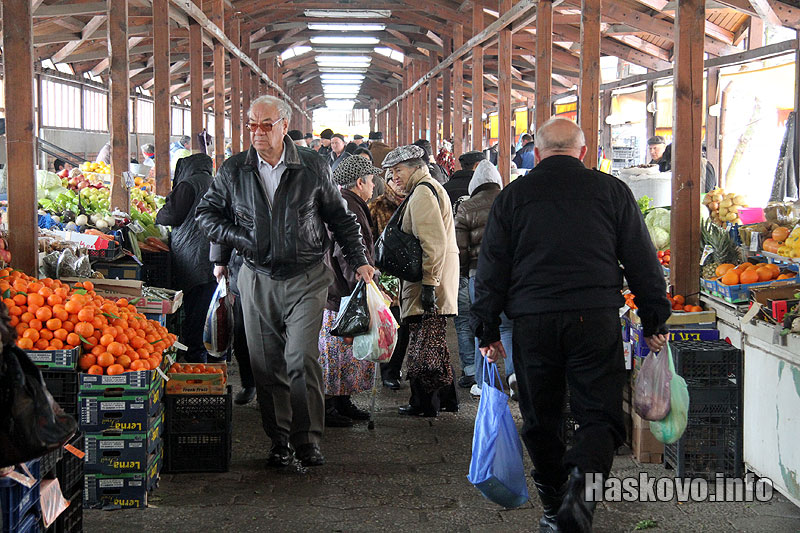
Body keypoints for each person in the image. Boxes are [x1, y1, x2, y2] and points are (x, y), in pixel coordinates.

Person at [471, 118, 671, 532]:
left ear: (537, 153)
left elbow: (491, 267)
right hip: (594, 319)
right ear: (583, 152)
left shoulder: (513, 197)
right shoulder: (612, 191)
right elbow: (641, 259)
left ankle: (553, 506)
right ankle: (582, 494)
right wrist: (654, 317)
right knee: (600, 416)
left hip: (534, 322)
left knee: (541, 417)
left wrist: (487, 330)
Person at [196, 94, 372, 469]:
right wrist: (236, 243)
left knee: (300, 359)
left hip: (307, 277)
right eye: (251, 124)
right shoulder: (233, 170)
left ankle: (307, 440)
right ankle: (279, 441)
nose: (257, 132)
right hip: (257, 278)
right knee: (266, 365)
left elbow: (342, 219)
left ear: (283, 126)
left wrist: (359, 262)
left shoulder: (312, 166)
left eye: (265, 125)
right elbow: (206, 215)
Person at [382, 145, 460, 417]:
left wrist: (429, 284)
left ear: (416, 167)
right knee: (433, 342)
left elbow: (433, 243)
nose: (395, 177)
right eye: (392, 173)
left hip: (429, 281)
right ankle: (447, 399)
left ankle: (424, 403)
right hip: (434, 278)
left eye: (399, 170)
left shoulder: (422, 194)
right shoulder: (428, 188)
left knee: (422, 346)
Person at [319, 156, 382, 427]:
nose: (374, 186)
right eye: (371, 181)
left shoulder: (349, 202)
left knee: (344, 354)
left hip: (339, 289)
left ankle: (342, 401)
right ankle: (328, 406)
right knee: (335, 350)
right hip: (340, 292)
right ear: (359, 182)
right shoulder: (350, 207)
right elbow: (345, 252)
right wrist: (359, 286)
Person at [454, 160, 515, 397]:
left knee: (482, 327)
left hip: (477, 274)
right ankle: (513, 375)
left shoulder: (467, 207)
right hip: (509, 274)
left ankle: (483, 383)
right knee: (507, 327)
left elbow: (460, 247)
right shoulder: (508, 202)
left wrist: (461, 273)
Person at [155, 153, 216, 363]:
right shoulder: (214, 182)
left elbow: (172, 215)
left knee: (195, 311)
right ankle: (212, 355)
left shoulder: (189, 185)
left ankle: (195, 357)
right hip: (213, 254)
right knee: (209, 309)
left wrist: (160, 213)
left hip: (193, 255)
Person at [367, 172, 408, 390]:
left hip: (411, 273)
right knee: (392, 323)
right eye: (393, 179)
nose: (398, 182)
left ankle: (398, 367)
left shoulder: (416, 201)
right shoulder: (377, 206)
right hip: (387, 274)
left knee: (407, 325)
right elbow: (368, 239)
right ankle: (389, 371)